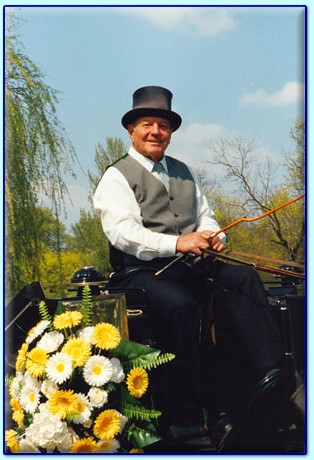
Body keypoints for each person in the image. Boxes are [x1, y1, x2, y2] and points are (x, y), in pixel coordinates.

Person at [93, 86, 293, 450]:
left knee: (244, 278)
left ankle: (272, 379)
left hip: (192, 267)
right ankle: (188, 412)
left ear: (170, 133)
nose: (156, 132)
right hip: (141, 273)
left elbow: (207, 217)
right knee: (180, 305)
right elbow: (122, 233)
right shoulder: (116, 176)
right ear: (131, 130)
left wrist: (215, 237)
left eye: (163, 126)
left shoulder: (185, 172)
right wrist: (176, 243)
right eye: (147, 124)